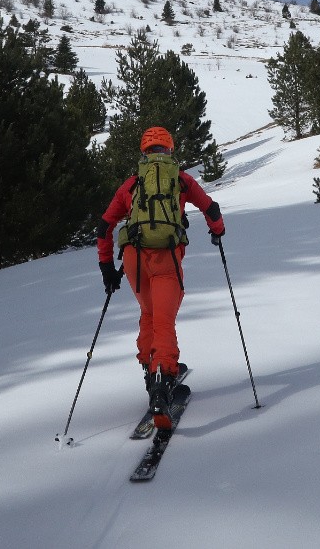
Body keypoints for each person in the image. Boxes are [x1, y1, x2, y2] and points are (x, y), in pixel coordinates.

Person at [97, 125, 225, 427]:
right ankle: (162, 385)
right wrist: (217, 233)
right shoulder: (180, 179)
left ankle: (149, 368)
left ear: (144, 152)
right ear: (169, 150)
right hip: (167, 257)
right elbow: (212, 209)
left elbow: (104, 226)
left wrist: (106, 267)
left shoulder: (131, 184)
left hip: (133, 260)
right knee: (164, 321)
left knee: (149, 314)